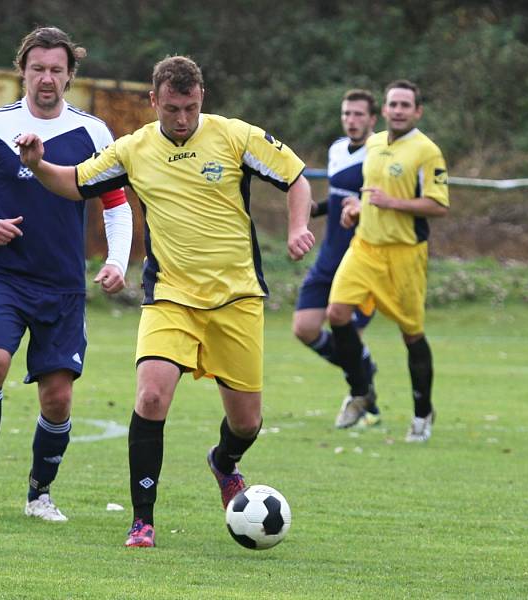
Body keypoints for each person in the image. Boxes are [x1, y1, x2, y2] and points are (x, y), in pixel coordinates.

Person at [16, 55, 315, 547]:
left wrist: (299, 226)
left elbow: (296, 178)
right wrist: (37, 164)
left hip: (237, 297)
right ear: (153, 101)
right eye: (173, 108)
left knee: (247, 422)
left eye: (191, 108)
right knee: (151, 397)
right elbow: (74, 183)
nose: (182, 119)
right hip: (170, 296)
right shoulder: (133, 150)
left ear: (203, 100)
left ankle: (224, 463)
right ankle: (142, 520)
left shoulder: (236, 136)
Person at [0, 27, 133, 520]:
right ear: (22, 71)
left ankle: (38, 494)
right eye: (37, 69)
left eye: (56, 70)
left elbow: (116, 204)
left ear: (70, 74)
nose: (46, 79)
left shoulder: (92, 134)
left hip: (64, 285)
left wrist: (115, 260)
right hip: (5, 277)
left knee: (58, 398)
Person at [327, 79, 449, 442]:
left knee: (411, 334)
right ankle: (362, 391)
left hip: (404, 254)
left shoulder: (427, 152)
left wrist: (392, 204)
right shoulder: (374, 142)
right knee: (336, 314)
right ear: (384, 110)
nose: (397, 110)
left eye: (405, 105)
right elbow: (371, 194)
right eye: (392, 104)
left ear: (417, 111)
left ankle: (423, 413)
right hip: (365, 247)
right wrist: (356, 210)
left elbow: (439, 204)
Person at [292, 89, 381, 429]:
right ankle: (362, 367)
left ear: (373, 119)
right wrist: (314, 209)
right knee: (304, 328)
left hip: (363, 260)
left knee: (345, 329)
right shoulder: (336, 149)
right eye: (347, 114)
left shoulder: (380, 154)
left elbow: (374, 201)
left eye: (359, 114)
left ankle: (359, 392)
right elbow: (341, 197)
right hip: (329, 255)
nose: (352, 120)